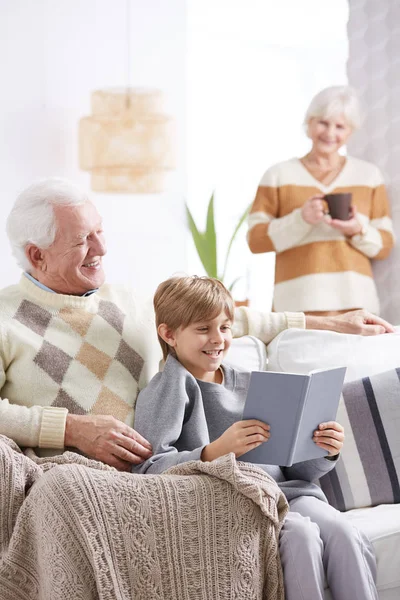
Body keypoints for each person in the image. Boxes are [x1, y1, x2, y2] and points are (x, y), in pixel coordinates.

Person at [0, 178, 393, 470]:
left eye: (100, 231)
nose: (102, 249)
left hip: (152, 477)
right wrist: (70, 429)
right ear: (38, 255)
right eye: (83, 240)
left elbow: (222, 320)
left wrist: (332, 323)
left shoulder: (127, 301)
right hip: (70, 478)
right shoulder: (6, 317)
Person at [132, 275, 378, 600]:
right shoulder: (166, 389)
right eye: (203, 329)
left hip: (290, 493)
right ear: (169, 334)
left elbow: (292, 470)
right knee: (301, 536)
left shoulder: (251, 382)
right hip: (239, 501)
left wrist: (322, 451)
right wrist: (216, 450)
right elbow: (149, 470)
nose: (217, 339)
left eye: (224, 327)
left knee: (344, 532)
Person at [247, 85, 394, 316]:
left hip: (358, 307)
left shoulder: (369, 176)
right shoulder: (278, 175)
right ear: (309, 123)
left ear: (350, 132)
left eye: (340, 126)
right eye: (323, 123)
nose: (330, 133)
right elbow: (256, 241)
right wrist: (301, 219)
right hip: (296, 309)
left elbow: (385, 245)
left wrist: (357, 229)